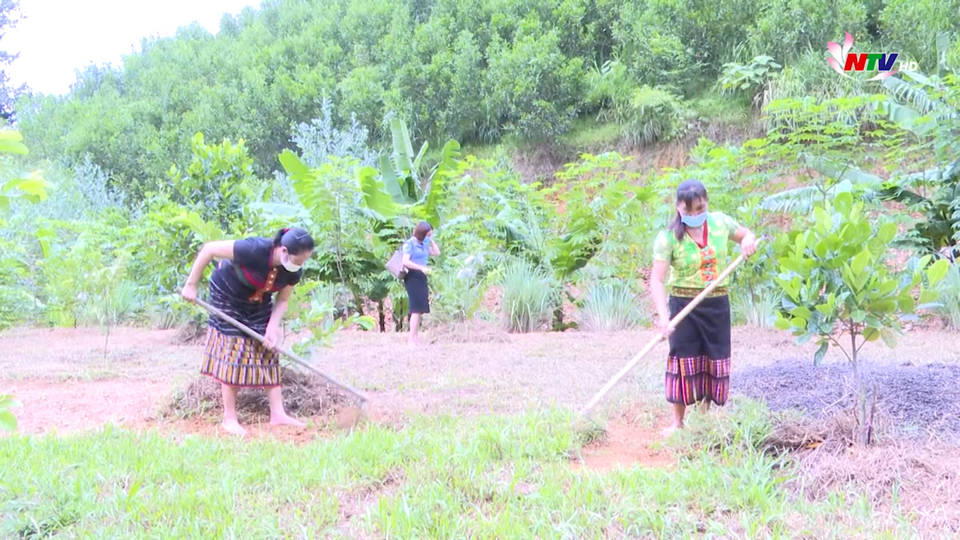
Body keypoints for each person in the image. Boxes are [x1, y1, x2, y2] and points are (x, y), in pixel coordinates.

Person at [181, 227, 314, 436]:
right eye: (298, 261)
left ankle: (278, 414)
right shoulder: (254, 249)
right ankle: (229, 418)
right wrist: (191, 285)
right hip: (227, 295)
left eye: (303, 262)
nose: (299, 266)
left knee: (269, 349)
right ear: (284, 250)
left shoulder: (293, 271)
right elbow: (209, 249)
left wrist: (272, 327)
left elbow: (283, 300)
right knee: (235, 348)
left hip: (258, 300)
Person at [649, 180, 756, 436]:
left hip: (716, 304)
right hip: (683, 306)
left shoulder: (720, 223)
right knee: (683, 360)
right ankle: (678, 422)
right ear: (678, 209)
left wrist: (747, 242)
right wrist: (664, 318)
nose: (696, 215)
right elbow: (656, 279)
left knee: (713, 359)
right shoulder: (667, 238)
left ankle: (706, 417)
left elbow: (746, 234)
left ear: (706, 203)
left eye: (700, 208)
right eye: (690, 212)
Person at [401, 221, 440, 345]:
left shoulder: (424, 243)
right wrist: (420, 268)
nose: (429, 237)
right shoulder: (410, 244)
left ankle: (416, 336)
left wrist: (431, 240)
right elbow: (405, 261)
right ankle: (411, 338)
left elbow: (436, 253)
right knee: (416, 308)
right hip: (412, 275)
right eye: (428, 234)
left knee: (421, 307)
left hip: (422, 276)